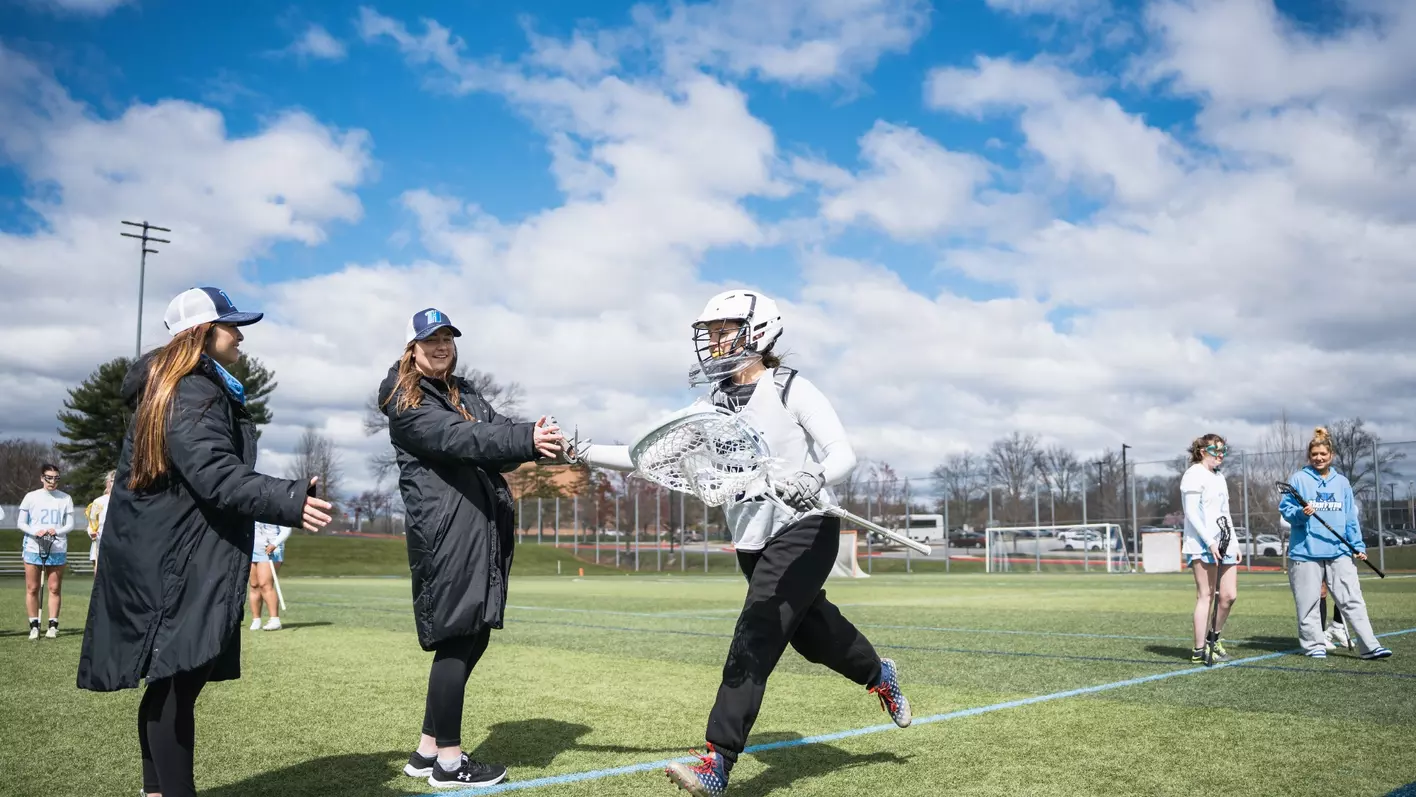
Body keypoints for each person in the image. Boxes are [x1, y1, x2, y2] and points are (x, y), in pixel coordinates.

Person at [580, 290, 911, 797]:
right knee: (813, 635)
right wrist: (578, 450)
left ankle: (718, 759)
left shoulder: (791, 389)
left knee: (756, 632)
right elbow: (643, 453)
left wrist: (815, 476)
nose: (712, 342)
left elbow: (842, 451)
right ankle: (877, 672)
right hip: (752, 541)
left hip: (806, 528)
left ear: (759, 332)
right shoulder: (709, 406)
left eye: (722, 331)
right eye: (708, 333)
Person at [77, 287, 333, 797]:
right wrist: (286, 498)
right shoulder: (191, 389)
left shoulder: (182, 385)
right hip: (175, 555)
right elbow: (214, 472)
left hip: (165, 549)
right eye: (231, 326)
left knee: (172, 682)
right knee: (177, 681)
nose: (240, 336)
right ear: (200, 334)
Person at [379, 307, 565, 790]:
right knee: (457, 639)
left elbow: (496, 436)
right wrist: (522, 438)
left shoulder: (465, 393)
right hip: (447, 533)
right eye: (430, 340)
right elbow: (460, 438)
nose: (441, 346)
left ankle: (426, 752)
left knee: (472, 635)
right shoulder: (406, 400)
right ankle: (448, 763)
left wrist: (536, 438)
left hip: (479, 528)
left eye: (447, 338)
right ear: (411, 349)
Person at [1278, 426, 1391, 660]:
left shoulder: (1342, 483)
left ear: (1331, 456)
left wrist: (1357, 545)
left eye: (1323, 454)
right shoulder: (1298, 479)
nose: (1319, 458)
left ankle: (1370, 646)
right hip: (1305, 553)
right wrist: (1301, 513)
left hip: (1339, 551)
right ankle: (1313, 645)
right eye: (1314, 454)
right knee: (1308, 602)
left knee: (1352, 599)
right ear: (1309, 456)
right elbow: (1286, 510)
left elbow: (1350, 517)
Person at [1180, 433, 1242, 665]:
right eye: (1216, 451)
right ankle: (1198, 650)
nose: (1221, 456)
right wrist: (1209, 542)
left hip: (1224, 542)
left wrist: (1233, 542)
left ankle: (1213, 639)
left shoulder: (1219, 476)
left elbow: (1225, 514)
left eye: (1223, 451)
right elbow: (1192, 513)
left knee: (1228, 596)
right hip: (1202, 544)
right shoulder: (1193, 475)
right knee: (1206, 595)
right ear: (1202, 451)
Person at [19, 463, 74, 640]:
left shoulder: (65, 498)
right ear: (42, 478)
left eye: (56, 478)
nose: (52, 482)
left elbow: (70, 524)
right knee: (33, 587)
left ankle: (52, 625)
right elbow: (21, 523)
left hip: (57, 547)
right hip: (34, 546)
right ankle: (34, 625)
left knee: (54, 588)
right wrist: (35, 532)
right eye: (48, 478)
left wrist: (56, 531)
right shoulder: (31, 497)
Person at [249, 522, 292, 631]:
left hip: (272, 550)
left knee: (265, 584)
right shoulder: (252, 507)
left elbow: (286, 530)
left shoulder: (277, 507)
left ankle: (274, 619)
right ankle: (256, 620)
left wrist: (274, 544)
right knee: (254, 585)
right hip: (252, 549)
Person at [85, 470, 116, 577]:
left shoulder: (127, 501)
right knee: (100, 580)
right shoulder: (99, 502)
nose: (114, 483)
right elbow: (92, 524)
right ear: (108, 483)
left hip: (120, 545)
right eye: (112, 480)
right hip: (100, 544)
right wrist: (91, 533)